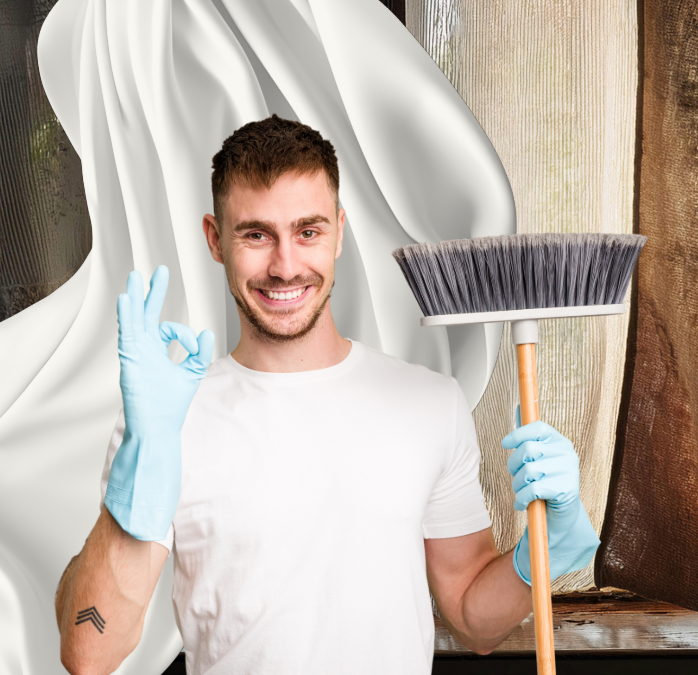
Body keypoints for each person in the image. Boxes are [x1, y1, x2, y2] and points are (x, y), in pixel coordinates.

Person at [53, 115, 600, 675]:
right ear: (216, 240)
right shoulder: (166, 421)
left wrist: (547, 549)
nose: (285, 266)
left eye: (307, 232)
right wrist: (142, 466)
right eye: (256, 234)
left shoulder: (431, 403)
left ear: (338, 231)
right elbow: (89, 653)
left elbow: (474, 621)